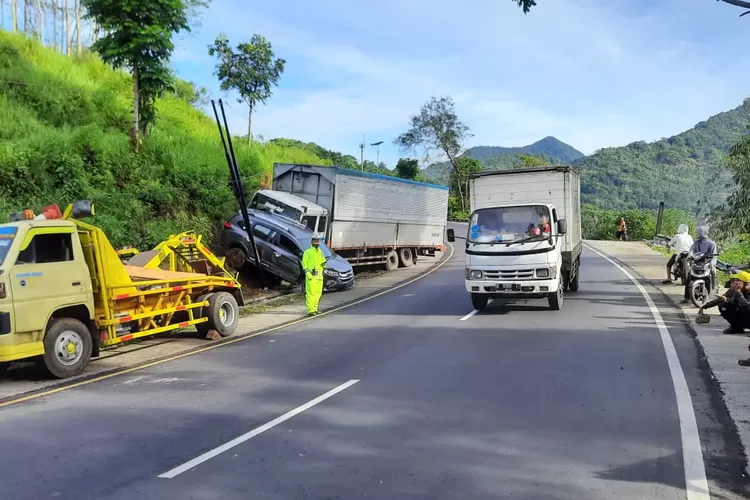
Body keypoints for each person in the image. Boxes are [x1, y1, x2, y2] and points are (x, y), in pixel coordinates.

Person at [681, 225, 718, 304]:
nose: (696, 233)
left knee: (713, 273)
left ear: (702, 233)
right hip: (696, 263)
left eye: (697, 232)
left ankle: (713, 288)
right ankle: (687, 297)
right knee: (689, 277)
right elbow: (691, 250)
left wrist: (712, 263)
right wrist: (689, 256)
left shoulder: (712, 244)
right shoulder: (696, 242)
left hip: (707, 264)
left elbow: (714, 256)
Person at [302, 236, 326, 316]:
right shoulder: (307, 252)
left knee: (318, 293)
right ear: (312, 242)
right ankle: (310, 310)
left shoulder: (320, 252)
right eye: (315, 241)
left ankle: (315, 308)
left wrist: (324, 265)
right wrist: (308, 274)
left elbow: (323, 262)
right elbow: (304, 264)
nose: (316, 243)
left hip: (319, 276)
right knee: (311, 293)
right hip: (311, 275)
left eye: (317, 241)